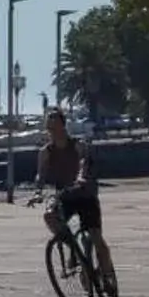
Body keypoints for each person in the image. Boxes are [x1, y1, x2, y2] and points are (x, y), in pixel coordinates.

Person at [34, 108, 113, 277]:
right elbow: (40, 174)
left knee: (96, 237)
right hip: (64, 196)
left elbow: (84, 162)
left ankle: (107, 273)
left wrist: (81, 178)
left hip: (85, 194)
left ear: (64, 127)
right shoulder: (46, 152)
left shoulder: (78, 145)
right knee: (50, 216)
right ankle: (75, 251)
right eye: (49, 128)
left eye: (55, 128)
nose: (52, 132)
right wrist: (37, 192)